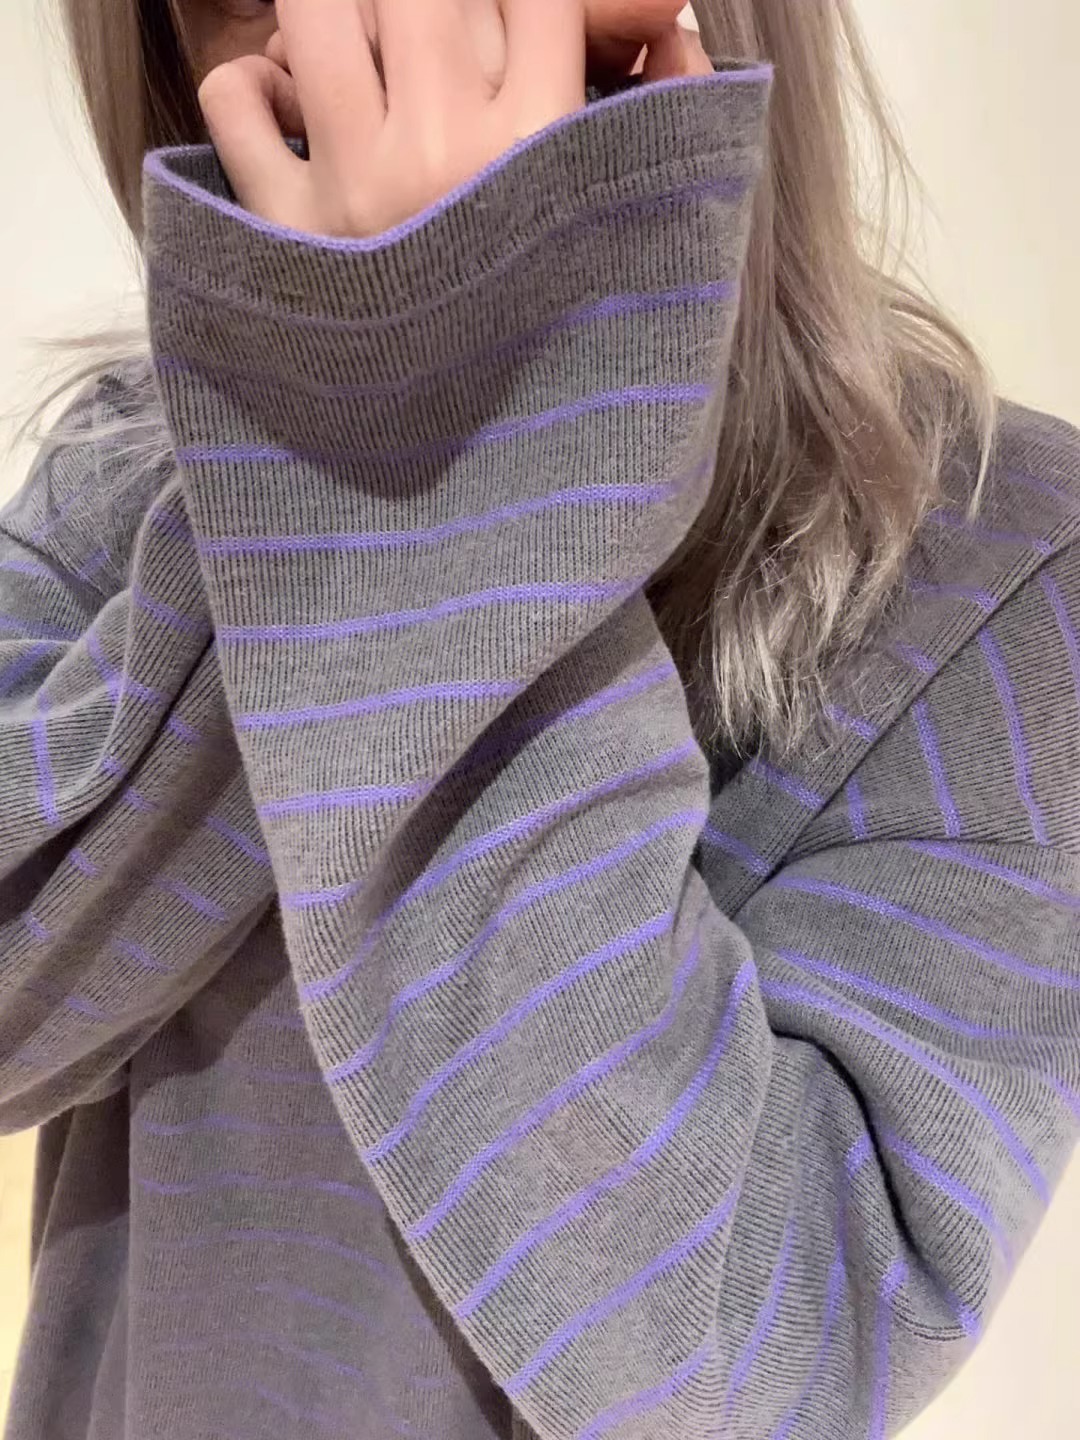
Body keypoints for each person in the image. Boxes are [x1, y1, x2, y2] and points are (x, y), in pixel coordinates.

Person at [2, 1, 1077, 1437]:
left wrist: (477, 420)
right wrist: (324, 407)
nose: (355, 39)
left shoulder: (1010, 559)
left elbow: (740, 1383)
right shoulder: (122, 466)